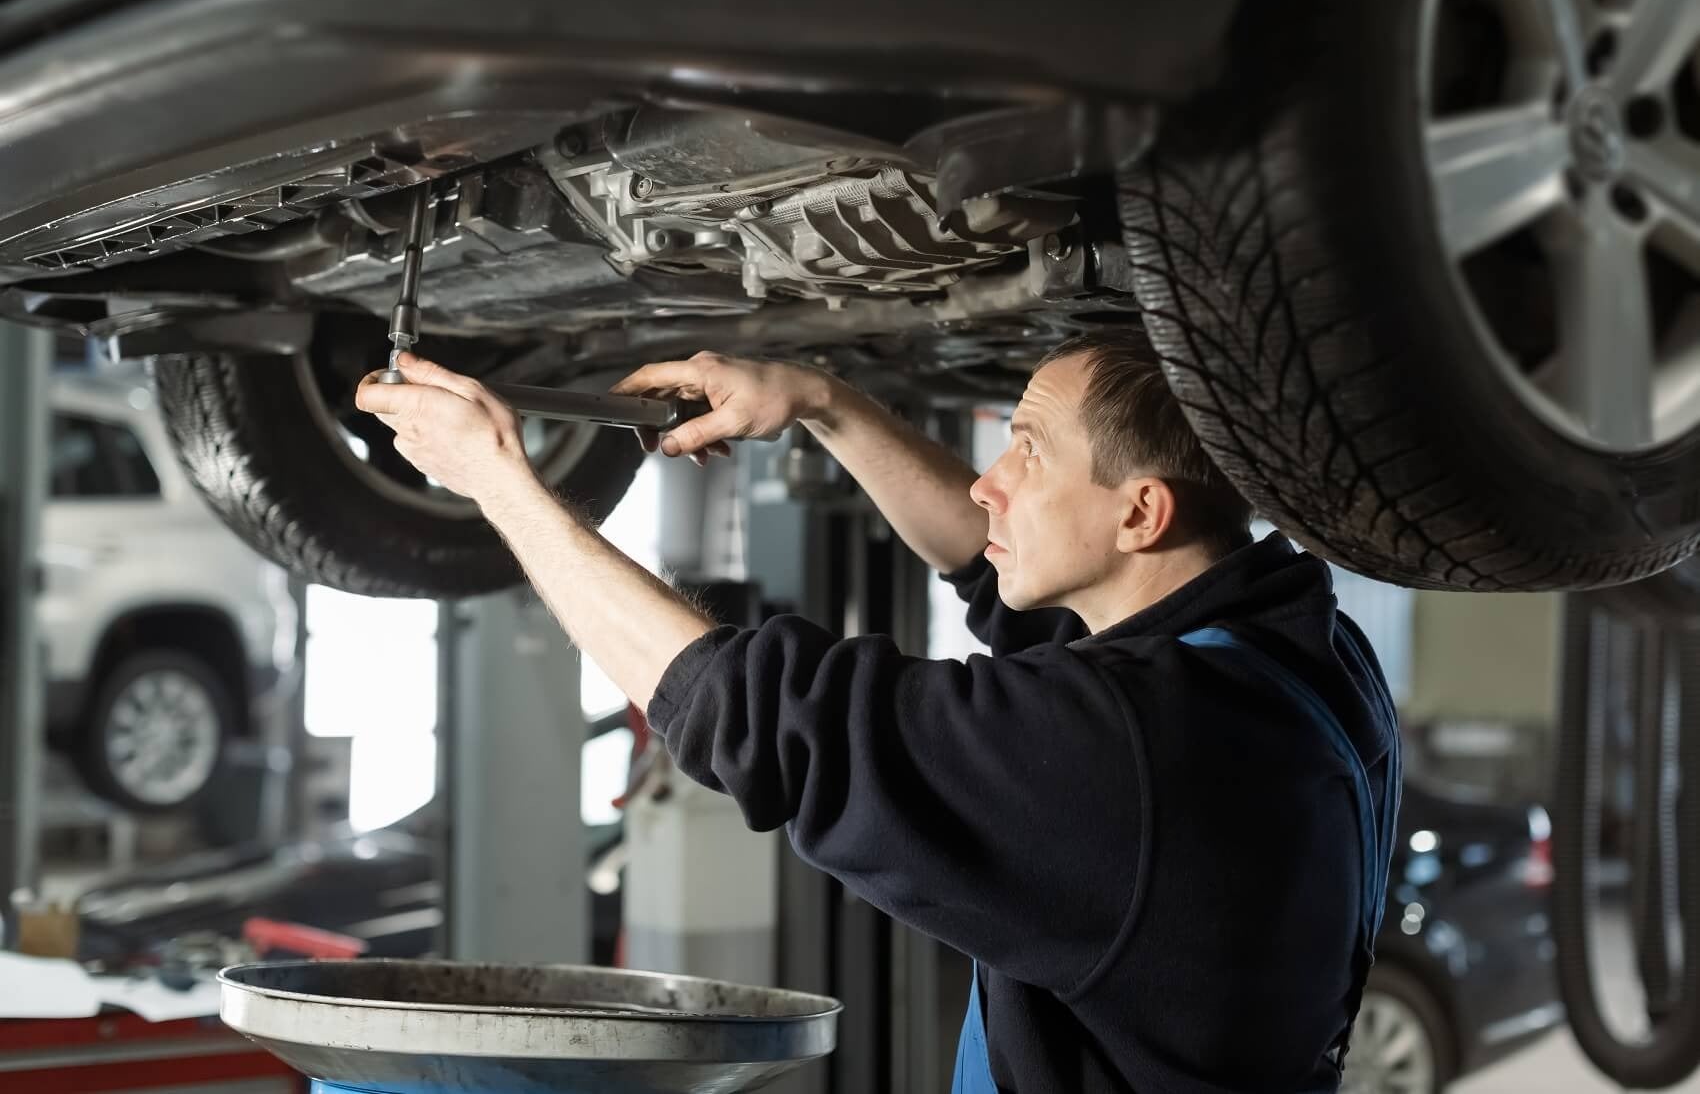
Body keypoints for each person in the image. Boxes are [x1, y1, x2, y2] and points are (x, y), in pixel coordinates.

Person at [355, 336, 1400, 1093]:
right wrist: (819, 398)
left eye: (1025, 449)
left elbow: (749, 714)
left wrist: (497, 482)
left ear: (1139, 512)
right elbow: (1000, 579)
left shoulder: (1132, 757)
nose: (989, 483)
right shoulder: (1288, 653)